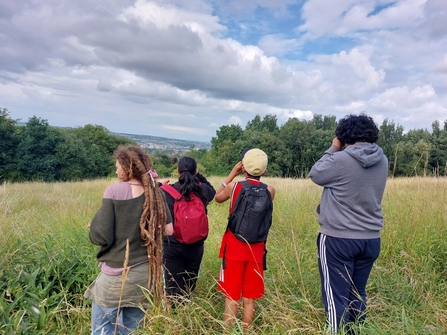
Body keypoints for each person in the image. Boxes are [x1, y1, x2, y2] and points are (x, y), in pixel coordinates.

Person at [309, 114, 388, 333]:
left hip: (338, 238)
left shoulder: (340, 159)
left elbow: (315, 173)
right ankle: (356, 331)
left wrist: (334, 147)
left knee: (336, 297)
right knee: (357, 293)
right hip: (371, 238)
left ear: (343, 136)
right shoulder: (383, 160)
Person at [84, 145, 174, 335]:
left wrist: (95, 227)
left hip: (117, 276)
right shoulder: (156, 193)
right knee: (130, 330)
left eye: (118, 166)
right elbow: (168, 230)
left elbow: (100, 236)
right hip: (145, 274)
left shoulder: (114, 191)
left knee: (103, 330)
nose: (116, 170)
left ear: (127, 168)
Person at [214, 148, 275, 333]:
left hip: (233, 248)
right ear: (264, 171)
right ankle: (246, 332)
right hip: (256, 250)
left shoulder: (234, 188)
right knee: (250, 299)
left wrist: (232, 174)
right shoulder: (270, 191)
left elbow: (217, 198)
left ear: (243, 168)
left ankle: (228, 332)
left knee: (231, 297)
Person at [159, 156, 216, 301]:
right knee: (189, 281)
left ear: (177, 171)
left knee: (172, 285)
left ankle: (174, 314)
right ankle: (187, 304)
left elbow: (149, 195)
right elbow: (212, 189)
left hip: (171, 244)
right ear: (195, 171)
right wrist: (197, 175)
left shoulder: (165, 192)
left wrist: (158, 184)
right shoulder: (203, 191)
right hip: (195, 244)